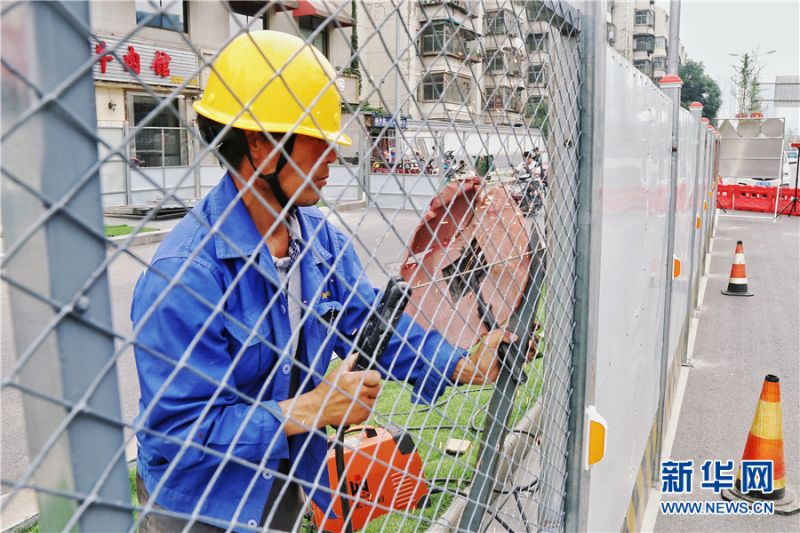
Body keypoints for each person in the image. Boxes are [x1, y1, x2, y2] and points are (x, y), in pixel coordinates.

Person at [131, 31, 510, 532]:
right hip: (204, 508)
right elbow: (178, 435)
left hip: (287, 483)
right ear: (263, 147)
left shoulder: (319, 243)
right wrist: (310, 407)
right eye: (319, 139)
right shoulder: (186, 275)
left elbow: (372, 325)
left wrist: (462, 364)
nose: (334, 155)